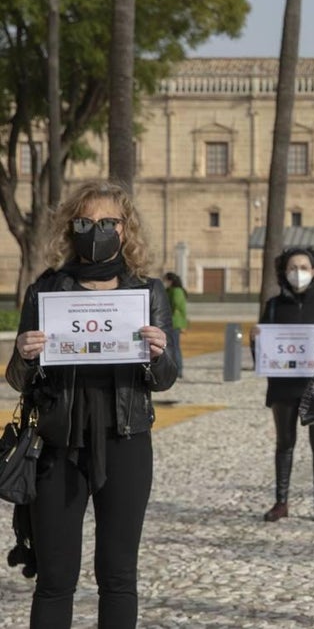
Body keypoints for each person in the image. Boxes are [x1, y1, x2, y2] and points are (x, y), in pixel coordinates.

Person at [4, 180, 178, 628]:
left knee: (118, 576)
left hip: (126, 442)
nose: (95, 231)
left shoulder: (148, 292)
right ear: (70, 228)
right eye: (84, 222)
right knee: (55, 578)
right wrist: (24, 354)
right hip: (57, 445)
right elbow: (17, 379)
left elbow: (165, 379)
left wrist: (158, 354)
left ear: (125, 228)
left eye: (106, 222)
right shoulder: (46, 290)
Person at [250, 247, 314, 522]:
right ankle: (281, 501)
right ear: (284, 272)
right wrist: (255, 340)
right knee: (284, 443)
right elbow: (262, 354)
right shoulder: (274, 306)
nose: (298, 273)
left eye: (304, 267)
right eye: (293, 268)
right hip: (283, 387)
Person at [162, 272, 187, 378]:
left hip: (174, 323)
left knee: (175, 347)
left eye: (165, 280)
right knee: (170, 347)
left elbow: (177, 306)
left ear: (170, 280)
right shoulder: (169, 290)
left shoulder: (176, 291)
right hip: (170, 322)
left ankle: (178, 370)